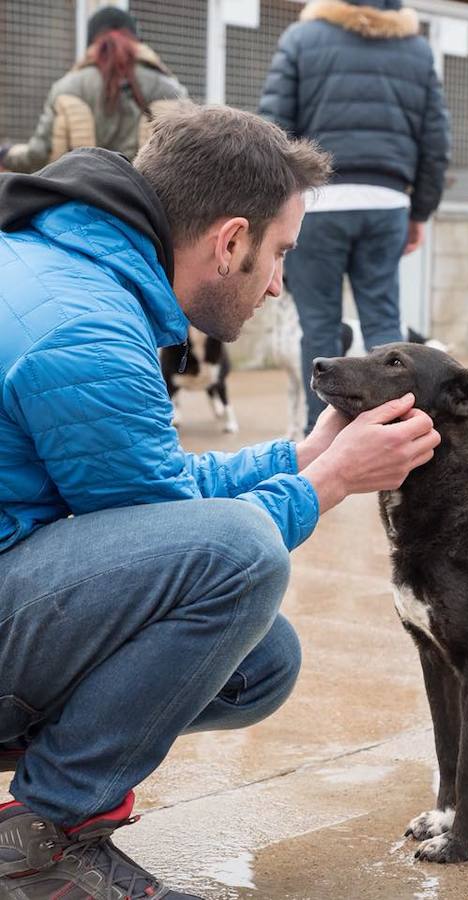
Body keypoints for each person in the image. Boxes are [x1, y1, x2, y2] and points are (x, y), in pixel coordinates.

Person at [0, 101, 440, 899]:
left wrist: (300, 455)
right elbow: (198, 544)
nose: (277, 287)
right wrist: (332, 481)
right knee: (241, 557)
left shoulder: (68, 269)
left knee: (258, 661)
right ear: (230, 240)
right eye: (279, 255)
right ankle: (39, 844)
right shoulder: (85, 329)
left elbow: (151, 505)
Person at [259, 0, 451, 433]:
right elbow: (436, 138)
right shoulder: (415, 50)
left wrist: (275, 208)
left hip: (318, 203)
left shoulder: (302, 39)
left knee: (319, 327)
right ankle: (391, 434)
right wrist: (419, 211)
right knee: (385, 324)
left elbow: (273, 129)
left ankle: (322, 439)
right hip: (387, 205)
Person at [0, 6, 186, 174]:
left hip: (81, 203)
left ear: (91, 41)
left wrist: (7, 154)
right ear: (136, 39)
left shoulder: (68, 86)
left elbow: (40, 154)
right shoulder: (169, 88)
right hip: (145, 206)